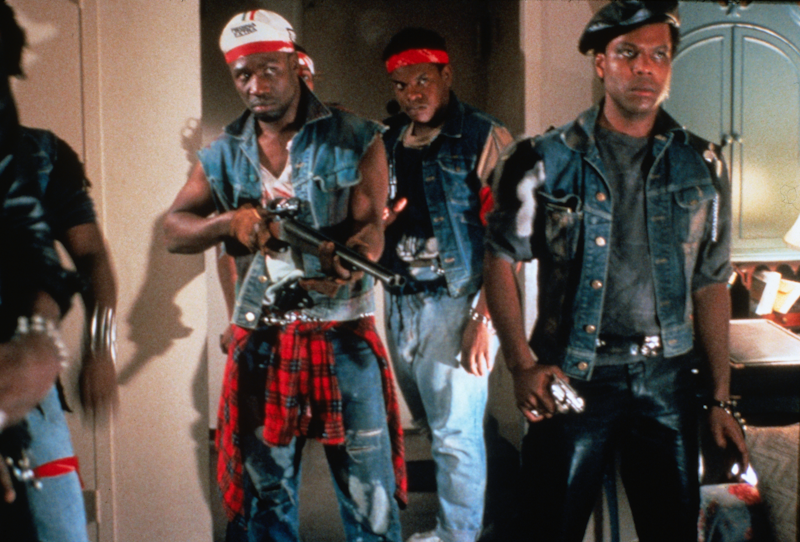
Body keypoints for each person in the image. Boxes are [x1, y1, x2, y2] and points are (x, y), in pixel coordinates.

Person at [483, 1, 748, 540]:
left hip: (667, 378)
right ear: (601, 62)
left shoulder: (702, 164)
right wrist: (520, 364)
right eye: (628, 53)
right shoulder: (542, 158)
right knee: (548, 526)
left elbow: (711, 282)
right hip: (573, 373)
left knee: (673, 530)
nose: (645, 67)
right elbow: (500, 258)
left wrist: (720, 399)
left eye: (658, 55)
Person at [163, 10, 405, 542]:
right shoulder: (222, 152)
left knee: (370, 496)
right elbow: (173, 230)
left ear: (295, 64)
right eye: (242, 75)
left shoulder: (355, 136)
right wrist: (229, 222)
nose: (255, 86)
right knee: (266, 498)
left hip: (344, 335)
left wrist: (352, 258)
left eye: (268, 70)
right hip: (265, 339)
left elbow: (371, 227)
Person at [380, 27, 513, 542]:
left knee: (454, 433)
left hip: (457, 301)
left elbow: (508, 240)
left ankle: (458, 535)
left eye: (422, 80)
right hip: (400, 299)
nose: (412, 94)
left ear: (446, 75)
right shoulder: (388, 141)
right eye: (400, 85)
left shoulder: (484, 136)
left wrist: (484, 318)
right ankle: (482, 514)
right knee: (437, 425)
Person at [0, 2, 79, 538]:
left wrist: (41, 339)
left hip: (15, 370)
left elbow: (40, 255)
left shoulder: (38, 153)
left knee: (59, 527)